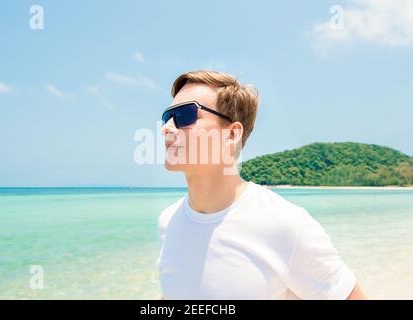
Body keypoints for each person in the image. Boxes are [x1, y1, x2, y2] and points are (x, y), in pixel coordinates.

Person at [156, 70, 366, 300]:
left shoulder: (284, 224)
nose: (167, 128)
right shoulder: (168, 220)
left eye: (185, 115)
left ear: (232, 134)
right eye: (167, 117)